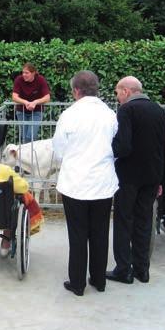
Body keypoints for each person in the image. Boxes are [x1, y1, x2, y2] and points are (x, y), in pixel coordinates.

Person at [51, 70, 118, 296]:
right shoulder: (110, 114)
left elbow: (59, 150)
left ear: (76, 90)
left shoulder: (69, 115)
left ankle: (77, 283)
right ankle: (99, 280)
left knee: (78, 234)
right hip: (102, 182)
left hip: (75, 182)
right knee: (100, 232)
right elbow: (115, 145)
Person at [107, 76, 165, 285]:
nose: (117, 98)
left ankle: (123, 269)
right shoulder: (158, 110)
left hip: (128, 177)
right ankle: (142, 269)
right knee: (144, 221)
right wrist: (162, 177)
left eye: (117, 93)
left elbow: (124, 146)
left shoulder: (126, 111)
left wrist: (110, 151)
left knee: (124, 220)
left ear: (126, 91)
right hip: (152, 176)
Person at [12, 63, 51, 143]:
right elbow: (14, 97)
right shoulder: (18, 80)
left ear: (33, 73)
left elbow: (47, 97)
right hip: (21, 111)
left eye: (27, 73)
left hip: (36, 111)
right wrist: (25, 102)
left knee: (31, 136)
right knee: (24, 137)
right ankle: (27, 154)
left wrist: (35, 102)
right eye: (23, 72)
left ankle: (31, 154)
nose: (24, 75)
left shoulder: (40, 80)